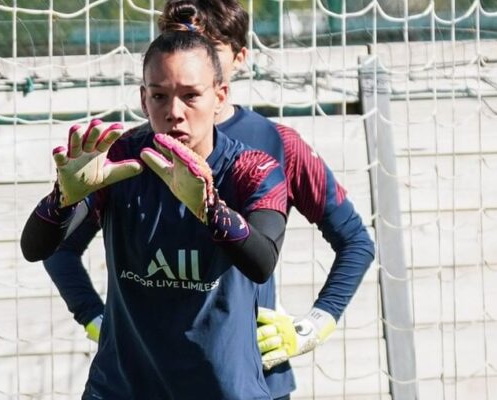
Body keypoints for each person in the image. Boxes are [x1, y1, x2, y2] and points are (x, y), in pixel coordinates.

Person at [41, 1, 376, 399]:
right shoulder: (133, 153)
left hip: (249, 380)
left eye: (208, 48)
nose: (189, 56)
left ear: (235, 60)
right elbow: (57, 245)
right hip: (142, 380)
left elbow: (355, 241)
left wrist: (311, 327)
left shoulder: (273, 146)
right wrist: (96, 318)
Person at [22, 31, 291, 398]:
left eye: (191, 95)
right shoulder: (119, 162)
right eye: (159, 95)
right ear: (143, 99)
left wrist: (210, 209)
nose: (174, 112)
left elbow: (262, 261)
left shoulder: (251, 168)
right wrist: (62, 199)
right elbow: (37, 248)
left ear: (220, 97)